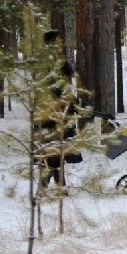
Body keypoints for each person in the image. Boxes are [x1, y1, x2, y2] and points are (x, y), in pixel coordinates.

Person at [40, 30, 82, 188]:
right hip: (53, 110)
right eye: (58, 40)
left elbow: (70, 82)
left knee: (55, 147)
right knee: (52, 146)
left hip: (58, 109)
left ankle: (55, 183)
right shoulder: (50, 62)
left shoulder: (57, 61)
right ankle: (52, 183)